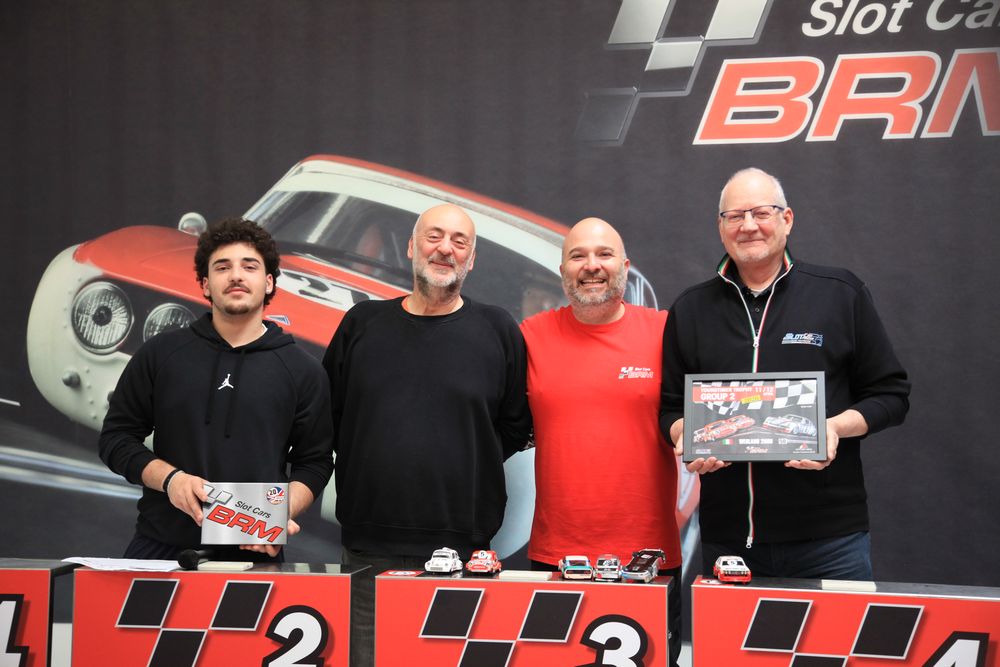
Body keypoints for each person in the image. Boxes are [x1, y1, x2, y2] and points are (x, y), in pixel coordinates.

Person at [660, 167, 910, 581]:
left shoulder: (839, 293)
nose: (748, 226)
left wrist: (833, 428)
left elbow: (891, 395)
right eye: (735, 216)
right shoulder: (691, 309)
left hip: (831, 541)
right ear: (721, 227)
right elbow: (670, 408)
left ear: (786, 219)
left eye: (761, 212)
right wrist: (686, 435)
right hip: (729, 541)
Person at [322, 203, 531, 666]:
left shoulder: (498, 329)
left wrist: (466, 458)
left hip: (463, 548)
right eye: (434, 236)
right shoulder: (362, 323)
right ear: (412, 247)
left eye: (460, 241)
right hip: (369, 545)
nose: (445, 249)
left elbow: (516, 424)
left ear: (472, 259)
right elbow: (328, 415)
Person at [99, 218, 334, 562]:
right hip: (159, 545)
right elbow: (116, 438)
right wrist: (171, 480)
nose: (236, 275)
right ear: (206, 285)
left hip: (254, 550)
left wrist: (279, 513)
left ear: (269, 282)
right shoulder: (161, 354)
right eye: (223, 267)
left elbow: (314, 463)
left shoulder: (303, 371)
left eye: (249, 266)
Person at [520, 217, 683, 667]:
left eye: (604, 254)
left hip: (648, 556)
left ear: (625, 266)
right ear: (562, 271)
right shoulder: (530, 336)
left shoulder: (666, 331)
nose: (591, 265)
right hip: (557, 555)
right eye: (578, 256)